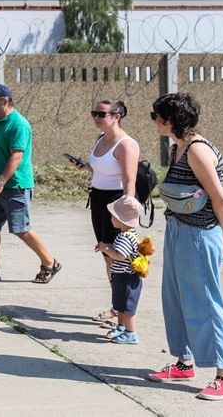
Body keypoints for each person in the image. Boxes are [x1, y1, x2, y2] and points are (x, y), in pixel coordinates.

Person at [147, 92, 223, 401]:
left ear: (168, 120)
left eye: (156, 116)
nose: (154, 122)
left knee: (206, 302)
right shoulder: (177, 149)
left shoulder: (198, 151)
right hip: (177, 231)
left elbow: (220, 198)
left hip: (200, 236)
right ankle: (184, 362)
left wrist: (220, 233)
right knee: (175, 298)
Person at [0, 84, 60, 284]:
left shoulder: (19, 124)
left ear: (5, 101)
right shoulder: (0, 123)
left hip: (14, 186)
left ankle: (50, 263)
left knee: (21, 228)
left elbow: (16, 157)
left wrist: (0, 181)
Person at [71, 99, 140, 323]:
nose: (96, 118)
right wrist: (85, 166)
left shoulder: (126, 145)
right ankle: (117, 305)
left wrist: (126, 210)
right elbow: (101, 166)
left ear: (117, 116)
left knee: (118, 257)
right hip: (99, 199)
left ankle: (122, 310)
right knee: (107, 256)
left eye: (101, 114)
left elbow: (130, 180)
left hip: (116, 203)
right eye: (94, 113)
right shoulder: (101, 139)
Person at [96, 195, 154, 345]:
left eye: (113, 216)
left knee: (127, 309)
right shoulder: (128, 234)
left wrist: (105, 248)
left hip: (127, 278)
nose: (111, 219)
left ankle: (131, 333)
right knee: (120, 306)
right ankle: (121, 327)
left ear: (121, 219)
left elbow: (120, 256)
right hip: (122, 277)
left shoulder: (124, 237)